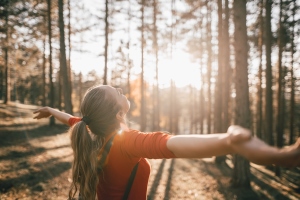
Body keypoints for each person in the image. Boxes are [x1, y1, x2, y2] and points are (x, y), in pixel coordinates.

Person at [33, 85, 300, 200]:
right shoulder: (128, 143)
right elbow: (174, 144)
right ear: (118, 113)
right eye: (116, 92)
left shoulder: (90, 129)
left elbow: (72, 119)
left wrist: (51, 110)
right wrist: (228, 141)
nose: (121, 90)